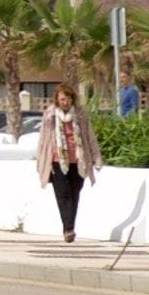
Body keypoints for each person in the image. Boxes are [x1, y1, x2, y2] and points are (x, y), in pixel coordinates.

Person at [36, 80, 96, 244]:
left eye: (68, 99)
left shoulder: (81, 114)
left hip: (78, 160)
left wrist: (96, 157)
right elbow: (43, 139)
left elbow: (89, 137)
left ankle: (69, 227)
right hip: (57, 160)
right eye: (62, 99)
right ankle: (69, 229)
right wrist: (40, 159)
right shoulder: (50, 115)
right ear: (57, 99)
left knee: (74, 194)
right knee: (63, 195)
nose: (66, 102)